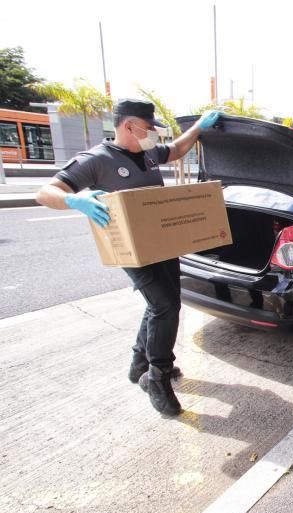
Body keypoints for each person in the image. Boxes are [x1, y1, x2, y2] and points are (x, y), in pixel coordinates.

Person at [35, 99, 222, 416]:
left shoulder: (148, 153)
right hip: (130, 248)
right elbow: (45, 192)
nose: (153, 134)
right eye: (149, 128)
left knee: (161, 303)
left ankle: (139, 364)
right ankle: (157, 378)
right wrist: (74, 199)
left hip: (162, 241)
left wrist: (198, 128)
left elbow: (175, 150)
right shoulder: (96, 160)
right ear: (129, 126)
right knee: (165, 305)